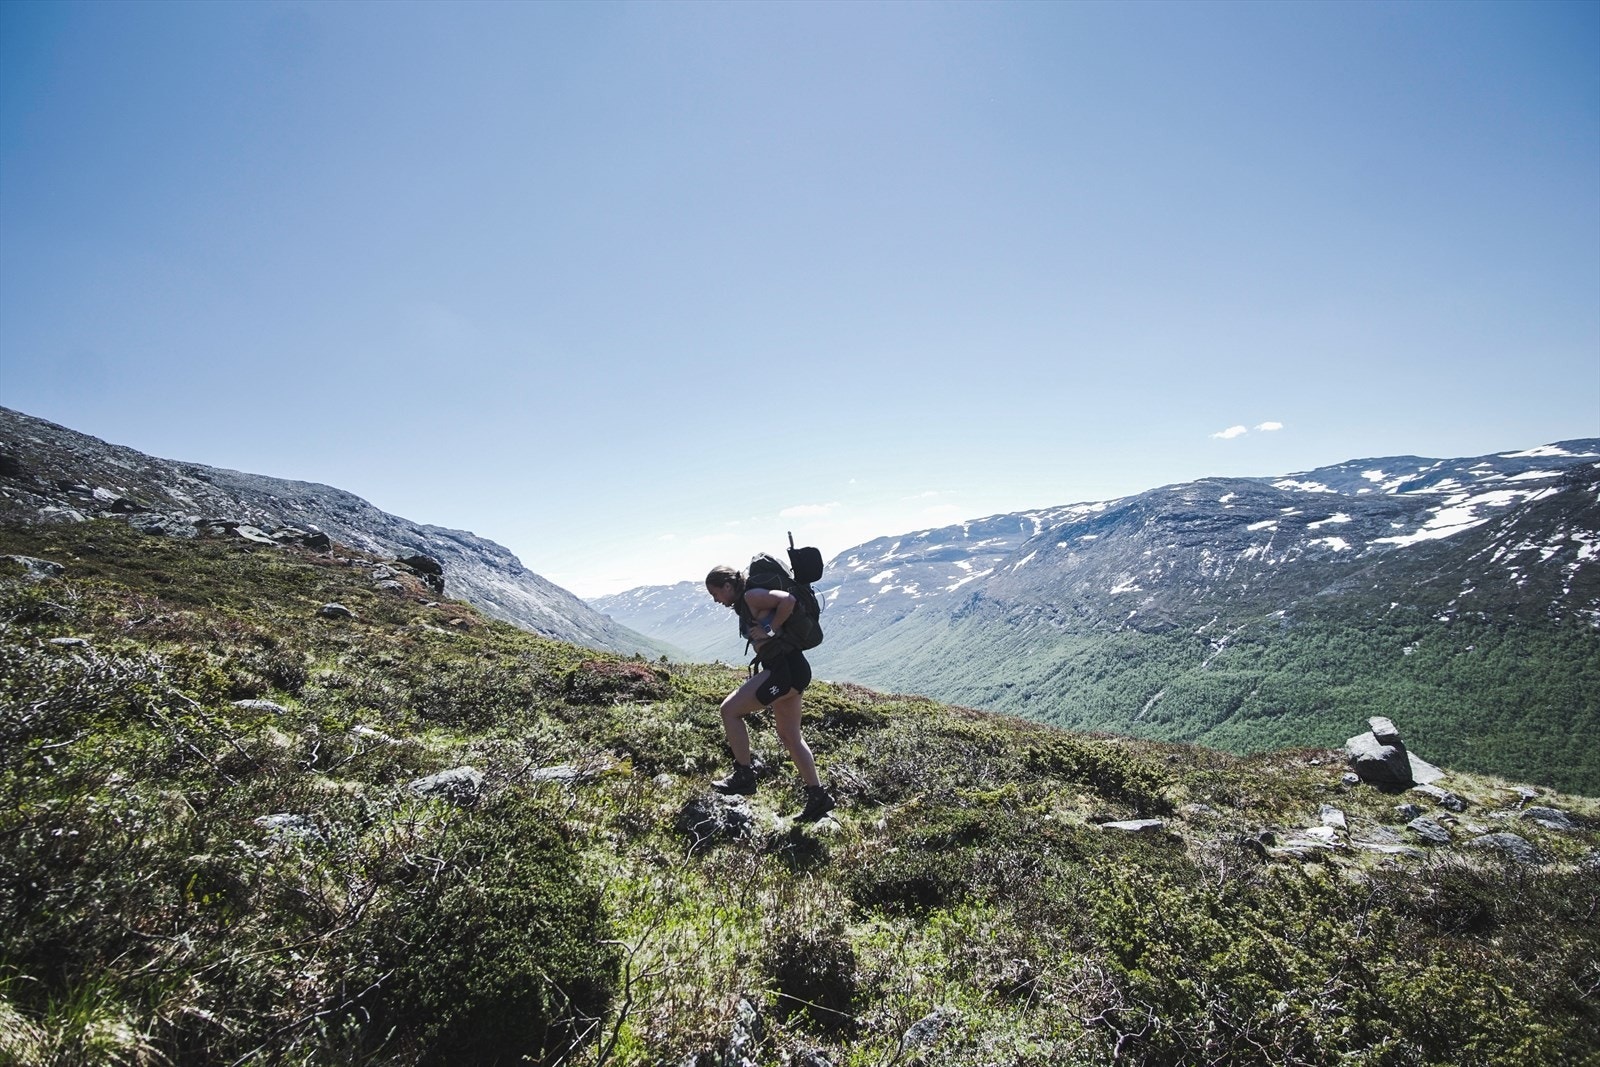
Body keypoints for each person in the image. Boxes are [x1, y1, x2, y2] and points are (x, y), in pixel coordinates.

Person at [705, 563, 835, 823]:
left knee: (729, 710)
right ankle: (818, 796)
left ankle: (744, 775)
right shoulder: (746, 600)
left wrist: (770, 628)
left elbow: (788, 599)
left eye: (715, 593)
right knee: (790, 737)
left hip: (784, 670)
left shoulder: (752, 596)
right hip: (791, 669)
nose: (716, 600)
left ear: (728, 586)